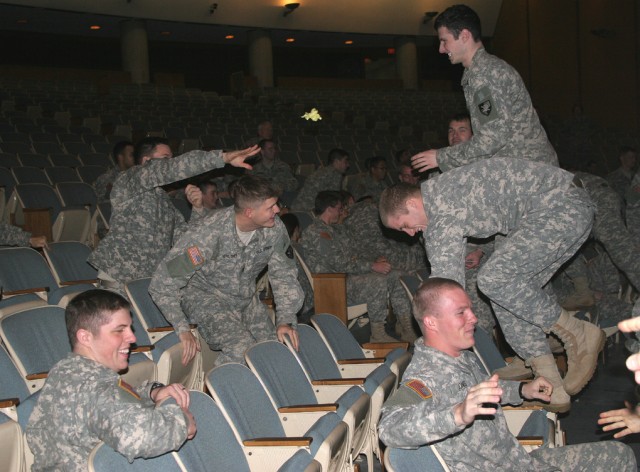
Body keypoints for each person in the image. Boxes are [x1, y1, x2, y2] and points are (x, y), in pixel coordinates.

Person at [378, 157, 602, 412]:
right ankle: (548, 376)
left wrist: (428, 351)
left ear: (410, 203)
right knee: (506, 292)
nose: (409, 234)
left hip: (559, 206)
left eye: (405, 225)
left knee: (494, 278)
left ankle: (577, 332)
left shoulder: (438, 210)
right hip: (561, 209)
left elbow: (444, 291)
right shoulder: (444, 194)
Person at [378, 277, 636, 471]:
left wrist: (522, 390)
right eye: (461, 313)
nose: (474, 318)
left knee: (620, 455)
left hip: (518, 461)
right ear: (431, 322)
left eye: (470, 309)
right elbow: (389, 429)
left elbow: (485, 393)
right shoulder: (423, 377)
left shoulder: (461, 356)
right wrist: (458, 413)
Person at [26, 289, 196, 472]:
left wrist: (152, 392)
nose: (132, 337)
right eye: (119, 331)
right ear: (85, 337)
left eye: (130, 328)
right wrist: (182, 420)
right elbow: (141, 436)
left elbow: (114, 402)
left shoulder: (68, 369)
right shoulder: (94, 386)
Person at [149, 175, 303, 367]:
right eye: (270, 207)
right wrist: (182, 328)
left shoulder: (274, 228)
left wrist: (285, 320)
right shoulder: (208, 233)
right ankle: (224, 392)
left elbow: (284, 275)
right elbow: (162, 283)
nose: (278, 210)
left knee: (275, 349)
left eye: (276, 204)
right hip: (205, 298)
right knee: (242, 349)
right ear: (249, 212)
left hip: (243, 299)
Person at [88, 137, 259, 294]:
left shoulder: (164, 202)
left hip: (147, 284)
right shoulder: (128, 181)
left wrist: (198, 209)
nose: (171, 164)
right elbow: (175, 168)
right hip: (119, 282)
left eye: (171, 159)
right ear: (147, 162)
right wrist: (222, 158)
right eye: (165, 159)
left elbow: (186, 239)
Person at [411, 4, 557, 174]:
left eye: (444, 41)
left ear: (465, 35)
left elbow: (492, 137)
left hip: (529, 172)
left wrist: (440, 157)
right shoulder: (482, 70)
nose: (441, 49)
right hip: (520, 168)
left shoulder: (484, 74)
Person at [301, 190, 412, 343]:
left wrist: (375, 260)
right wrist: (372, 266)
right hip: (333, 285)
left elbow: (355, 254)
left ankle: (406, 326)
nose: (342, 212)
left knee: (396, 275)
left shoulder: (336, 230)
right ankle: (378, 333)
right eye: (339, 209)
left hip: (349, 277)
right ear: (330, 208)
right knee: (377, 281)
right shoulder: (316, 232)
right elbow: (339, 263)